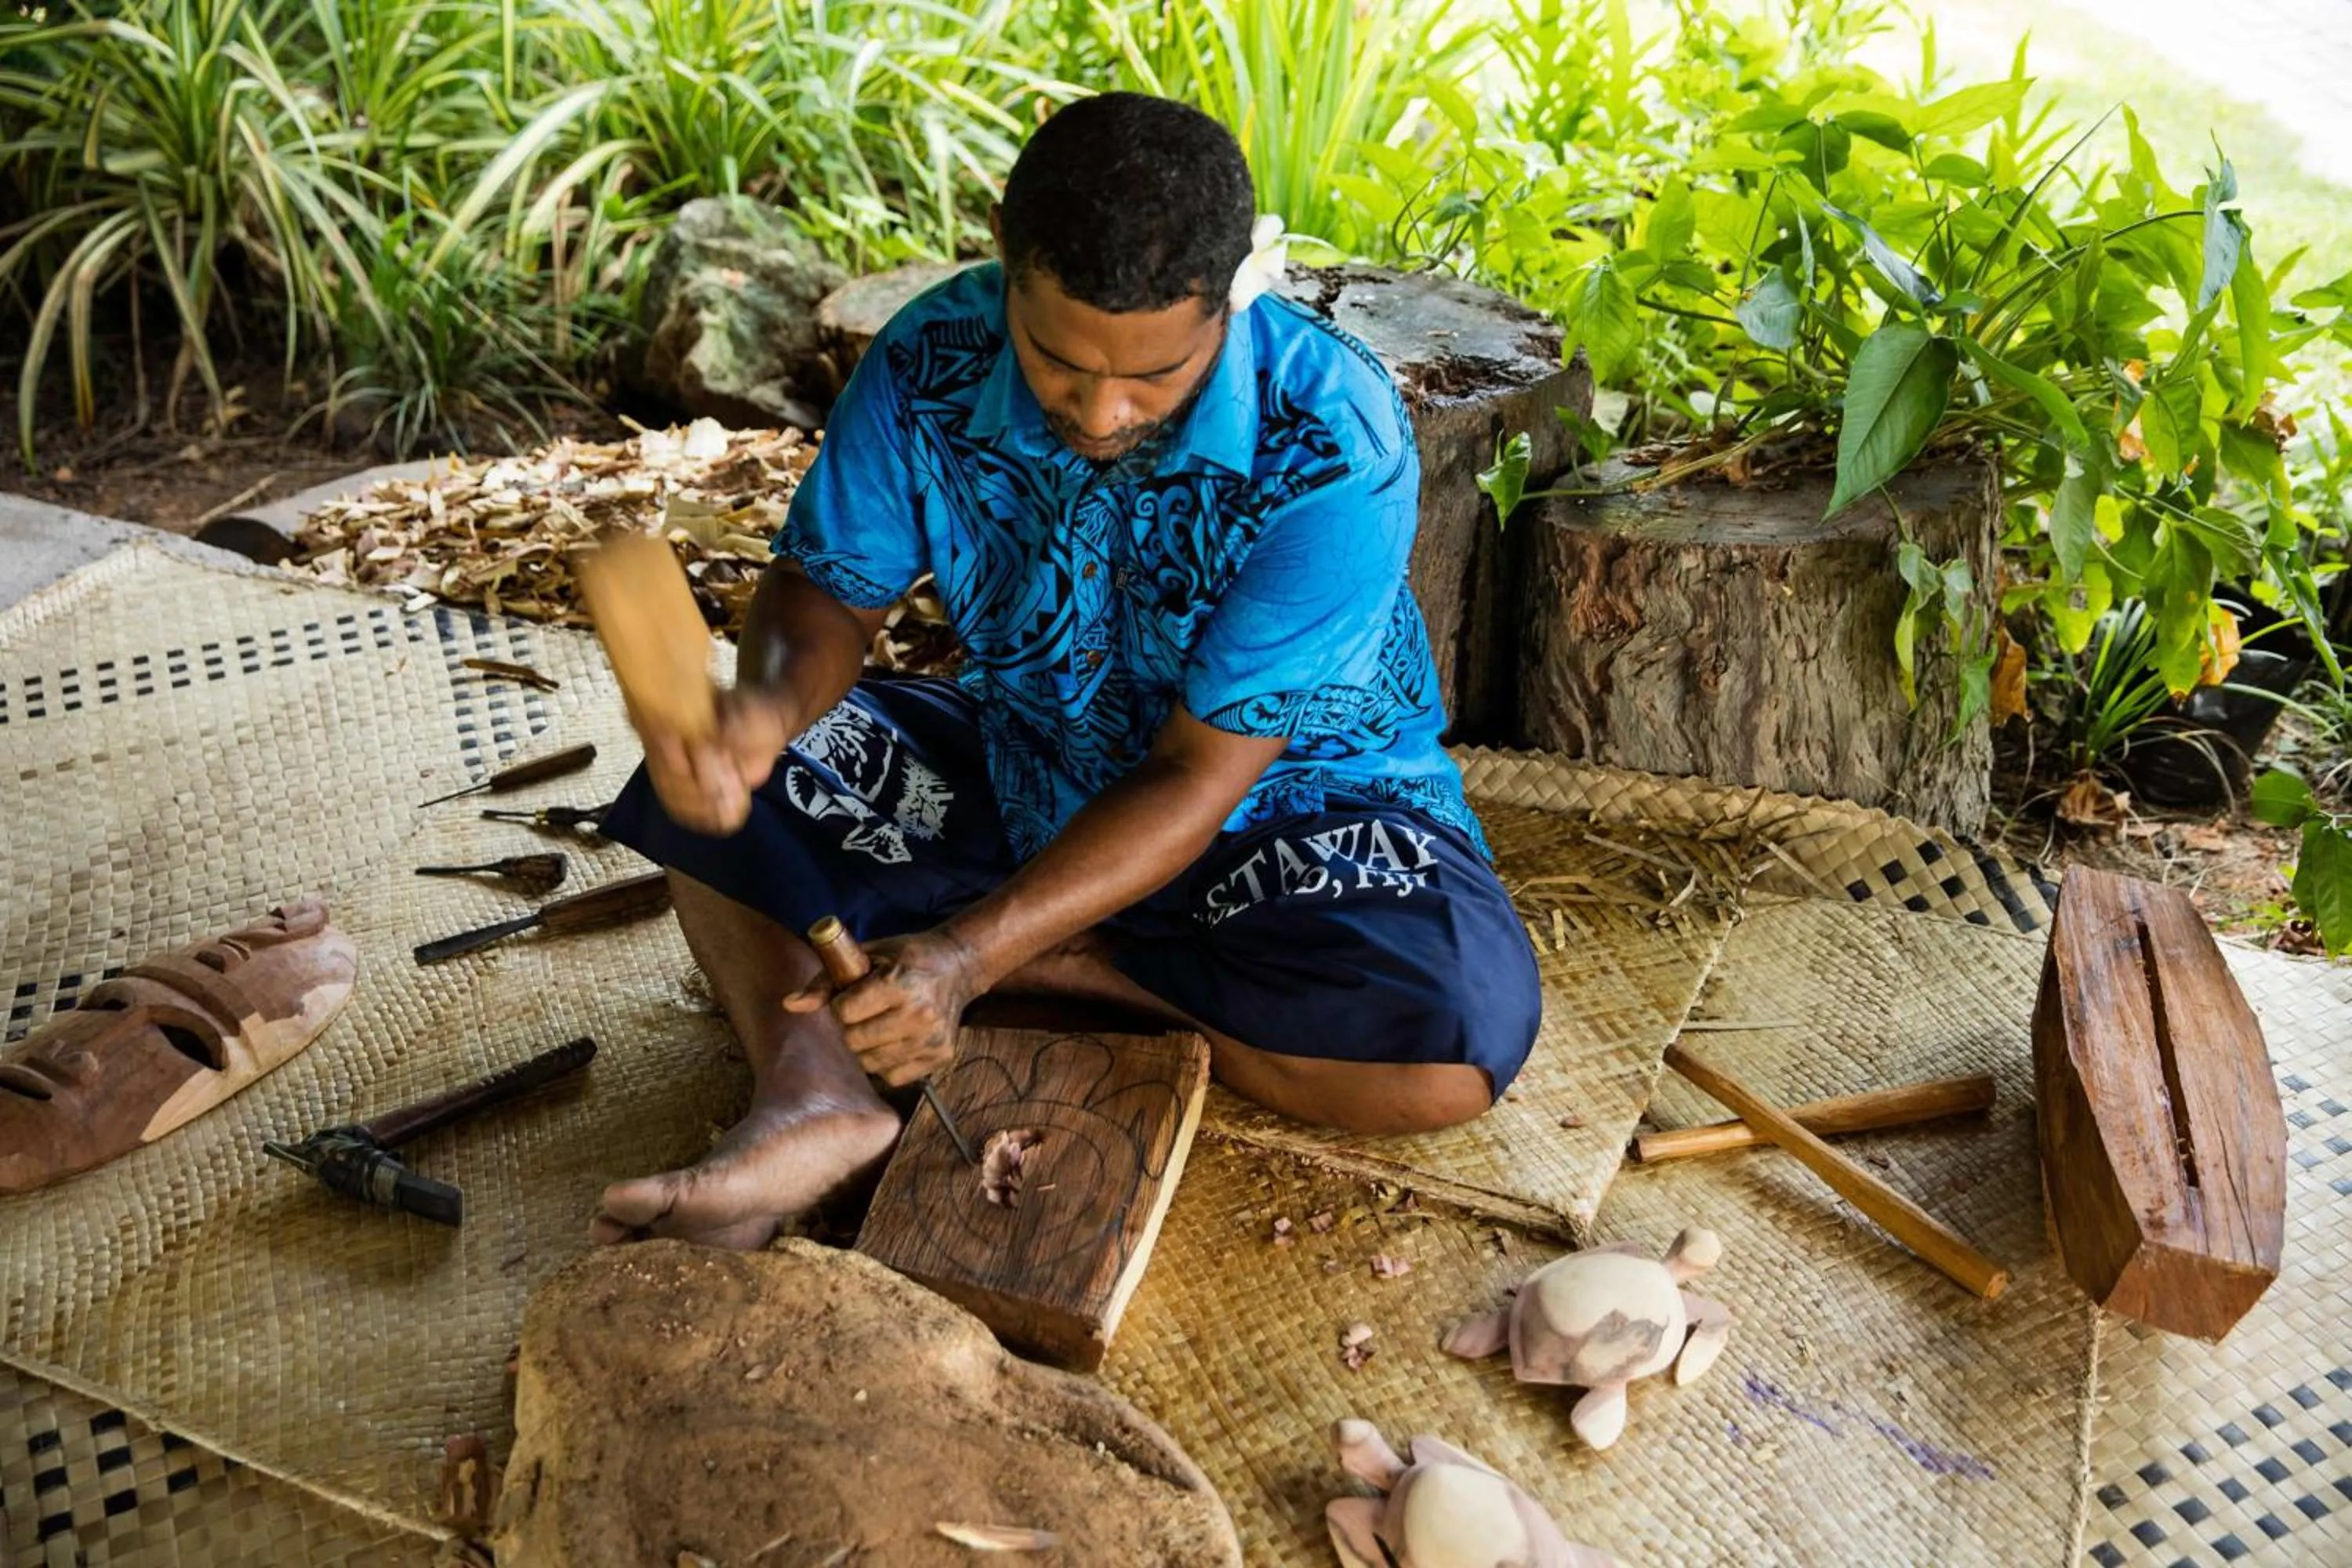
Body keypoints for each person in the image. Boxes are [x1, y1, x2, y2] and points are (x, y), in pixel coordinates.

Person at [590, 92, 1541, 1249]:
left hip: (1292, 816)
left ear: (1231, 292)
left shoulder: (1333, 438)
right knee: (712, 796)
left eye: (1157, 375)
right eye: (1057, 359)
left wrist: (969, 954)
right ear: (1005, 254)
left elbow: (1199, 775)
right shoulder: (932, 357)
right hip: (1028, 769)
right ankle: (814, 1094)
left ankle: (1069, 971)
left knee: (1444, 1044)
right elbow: (832, 588)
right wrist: (764, 711)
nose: (1101, 409)